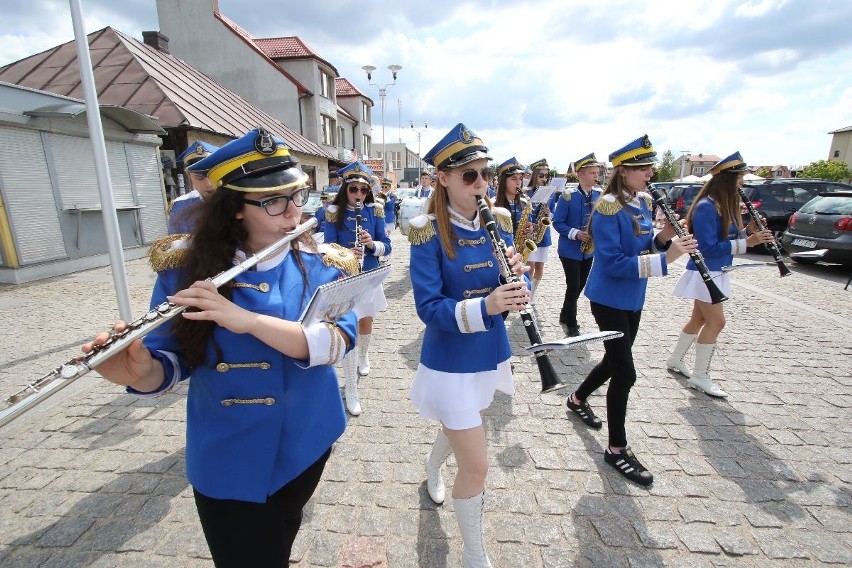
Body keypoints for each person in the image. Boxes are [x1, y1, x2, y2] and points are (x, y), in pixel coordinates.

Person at [82, 127, 358, 566]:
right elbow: (170, 362)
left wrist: (247, 321)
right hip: (227, 450)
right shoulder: (183, 270)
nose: (292, 213)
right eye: (273, 201)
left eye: (296, 196)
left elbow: (336, 344)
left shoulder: (325, 265)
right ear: (235, 210)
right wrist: (139, 372)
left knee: (280, 535)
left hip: (307, 439)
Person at [408, 123, 529, 567]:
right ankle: (474, 556)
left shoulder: (499, 220)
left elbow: (510, 281)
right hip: (449, 361)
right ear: (442, 178)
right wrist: (487, 304)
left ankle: (433, 466)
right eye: (469, 176)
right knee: (477, 465)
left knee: (466, 426)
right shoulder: (426, 231)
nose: (481, 185)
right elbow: (429, 308)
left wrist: (519, 287)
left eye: (486, 174)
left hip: (488, 352)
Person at [565, 134, 696, 487]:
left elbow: (643, 245)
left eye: (650, 167)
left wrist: (664, 236)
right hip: (608, 298)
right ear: (624, 172)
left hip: (633, 298)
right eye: (644, 168)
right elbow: (614, 262)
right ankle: (617, 449)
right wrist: (666, 259)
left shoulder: (641, 202)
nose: (651, 173)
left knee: (613, 361)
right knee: (625, 372)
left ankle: (577, 398)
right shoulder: (607, 206)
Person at [666, 151, 774, 398]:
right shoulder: (706, 206)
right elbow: (707, 247)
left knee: (699, 320)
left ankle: (675, 359)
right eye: (739, 178)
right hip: (706, 271)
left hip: (717, 271)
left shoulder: (724, 204)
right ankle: (700, 376)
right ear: (728, 179)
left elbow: (729, 238)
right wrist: (748, 243)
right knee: (717, 322)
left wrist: (749, 232)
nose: (743, 183)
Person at [324, 161, 392, 416]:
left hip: (369, 273)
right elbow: (327, 247)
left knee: (366, 320)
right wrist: (344, 254)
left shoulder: (375, 212)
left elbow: (388, 245)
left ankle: (364, 356)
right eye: (354, 190)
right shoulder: (333, 212)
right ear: (345, 189)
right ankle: (350, 388)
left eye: (363, 190)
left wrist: (371, 244)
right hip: (344, 277)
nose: (359, 195)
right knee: (346, 326)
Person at [552, 153, 602, 337]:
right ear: (580, 174)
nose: (596, 176)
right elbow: (557, 223)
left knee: (579, 286)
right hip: (569, 250)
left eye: (597, 172)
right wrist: (575, 233)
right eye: (592, 173)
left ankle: (565, 314)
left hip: (589, 251)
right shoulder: (567, 196)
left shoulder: (599, 195)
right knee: (573, 285)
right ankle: (571, 323)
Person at [169, 141, 220, 234]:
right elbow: (174, 244)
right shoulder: (181, 206)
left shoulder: (239, 200)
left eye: (213, 176)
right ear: (189, 176)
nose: (208, 184)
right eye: (200, 178)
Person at [524, 158, 554, 303]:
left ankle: (533, 292)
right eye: (541, 175)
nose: (544, 178)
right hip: (530, 233)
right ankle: (526, 293)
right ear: (534, 175)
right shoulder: (526, 192)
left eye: (546, 175)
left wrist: (549, 214)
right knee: (530, 266)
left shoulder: (550, 193)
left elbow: (554, 214)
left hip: (543, 234)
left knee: (540, 267)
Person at [494, 157, 533, 251]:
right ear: (503, 181)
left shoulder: (524, 203)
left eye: (520, 179)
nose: (518, 183)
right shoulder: (493, 205)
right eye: (513, 179)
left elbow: (528, 225)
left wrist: (529, 229)